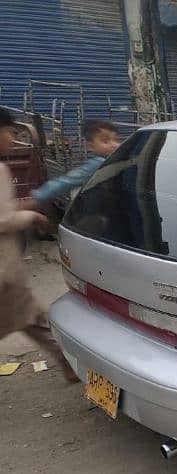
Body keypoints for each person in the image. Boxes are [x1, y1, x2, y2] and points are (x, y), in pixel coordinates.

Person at [0, 107, 78, 382]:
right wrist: (30, 215)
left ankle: (65, 360)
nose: (12, 139)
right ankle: (65, 360)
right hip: (4, 271)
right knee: (32, 317)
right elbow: (4, 220)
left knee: (32, 317)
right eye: (10, 132)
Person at [32, 119, 120, 206]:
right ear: (91, 146)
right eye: (105, 141)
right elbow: (65, 182)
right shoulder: (97, 165)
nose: (114, 144)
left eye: (116, 140)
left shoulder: (118, 161)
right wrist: (38, 197)